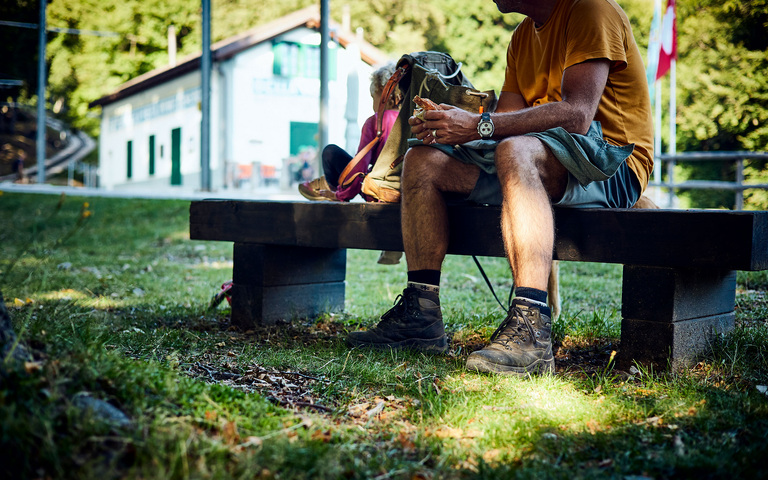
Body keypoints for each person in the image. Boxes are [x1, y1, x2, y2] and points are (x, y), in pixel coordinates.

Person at [346, 0, 654, 376]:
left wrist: (478, 126)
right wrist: (450, 123)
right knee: (422, 160)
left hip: (613, 165)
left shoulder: (591, 10)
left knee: (514, 150)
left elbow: (577, 115)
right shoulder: (522, 36)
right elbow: (505, 121)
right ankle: (421, 316)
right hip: (533, 160)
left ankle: (531, 329)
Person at [299, 62, 402, 202]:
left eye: (373, 97)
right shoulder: (412, 119)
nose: (373, 105)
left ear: (384, 94)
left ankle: (330, 187)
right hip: (405, 192)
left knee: (330, 152)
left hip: (378, 192)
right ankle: (328, 185)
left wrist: (341, 196)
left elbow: (359, 168)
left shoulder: (376, 121)